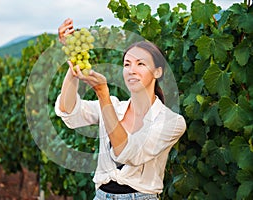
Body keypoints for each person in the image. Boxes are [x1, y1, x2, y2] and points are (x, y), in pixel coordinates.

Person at [55, 18, 186, 200]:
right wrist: (74, 58)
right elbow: (69, 111)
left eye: (140, 64)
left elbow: (127, 153)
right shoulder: (114, 106)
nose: (131, 70)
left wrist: (102, 93)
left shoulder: (172, 122)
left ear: (158, 71)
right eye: (127, 64)